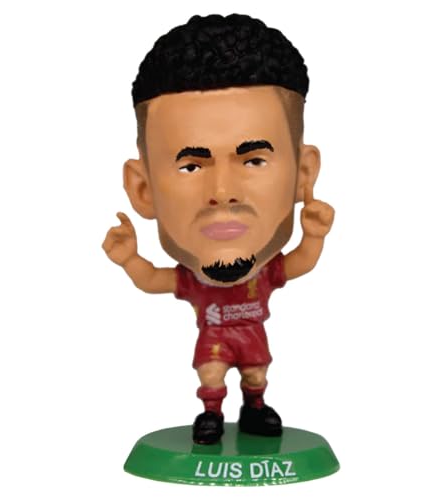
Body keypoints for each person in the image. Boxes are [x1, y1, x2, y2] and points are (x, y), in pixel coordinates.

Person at [102, 14, 334, 445]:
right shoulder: (193, 281)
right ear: (142, 189)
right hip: (214, 340)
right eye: (191, 166)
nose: (223, 193)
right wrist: (128, 259)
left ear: (303, 176)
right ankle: (211, 413)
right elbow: (153, 280)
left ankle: (255, 407)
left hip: (252, 338)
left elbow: (300, 262)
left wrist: (315, 235)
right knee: (211, 372)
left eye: (254, 161)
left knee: (256, 373)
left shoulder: (265, 274)